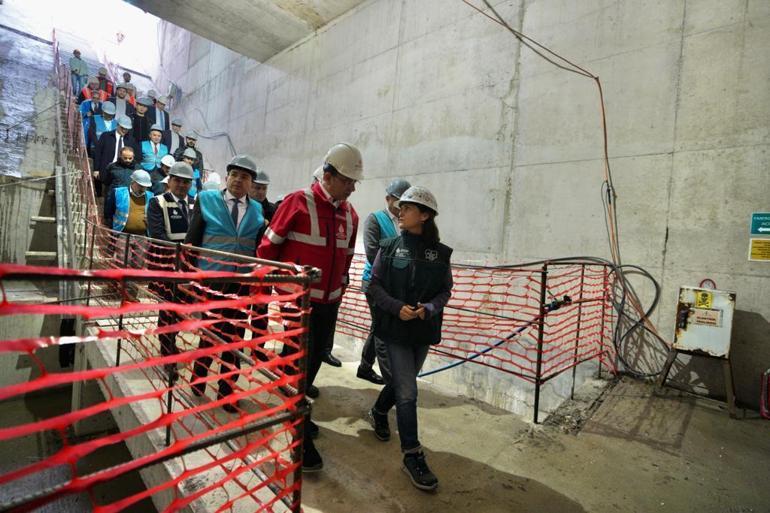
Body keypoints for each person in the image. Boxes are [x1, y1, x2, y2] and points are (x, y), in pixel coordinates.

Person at [257, 142, 362, 472]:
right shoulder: (296, 202)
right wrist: (276, 286)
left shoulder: (350, 214)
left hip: (329, 302)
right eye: (347, 180)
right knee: (301, 359)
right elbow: (267, 248)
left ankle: (295, 406)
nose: (352, 187)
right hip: (298, 301)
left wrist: (340, 287)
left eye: (354, 182)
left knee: (315, 357)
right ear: (328, 175)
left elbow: (344, 260)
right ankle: (297, 429)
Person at [365, 186, 452, 492]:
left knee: (404, 383)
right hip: (395, 330)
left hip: (422, 330)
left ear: (425, 215)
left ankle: (378, 411)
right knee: (408, 393)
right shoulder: (387, 247)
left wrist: (428, 308)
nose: (401, 212)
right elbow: (374, 285)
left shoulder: (440, 254)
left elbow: (445, 291)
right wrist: (396, 308)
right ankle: (412, 454)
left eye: (409, 208)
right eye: (400, 207)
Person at [185, 155, 265, 413]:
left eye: (245, 177)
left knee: (234, 337)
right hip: (212, 282)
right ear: (227, 176)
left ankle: (226, 391)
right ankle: (198, 380)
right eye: (234, 175)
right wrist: (189, 279)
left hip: (241, 284)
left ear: (251, 183)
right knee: (210, 335)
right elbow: (192, 242)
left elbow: (257, 247)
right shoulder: (206, 199)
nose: (238, 180)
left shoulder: (257, 210)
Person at [357, 178, 411, 385]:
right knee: (382, 328)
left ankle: (364, 367)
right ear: (388, 198)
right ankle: (392, 380)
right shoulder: (375, 219)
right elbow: (372, 253)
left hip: (393, 286)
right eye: (398, 201)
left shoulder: (404, 224)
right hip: (374, 283)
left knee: (378, 325)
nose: (401, 207)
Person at [147, 162, 194, 381]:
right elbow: (157, 234)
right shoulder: (158, 202)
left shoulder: (196, 204)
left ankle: (171, 344)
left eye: (186, 182)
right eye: (178, 180)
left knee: (180, 308)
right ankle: (167, 354)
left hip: (188, 266)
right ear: (170, 180)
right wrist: (181, 250)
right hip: (167, 263)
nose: (182, 185)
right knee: (168, 309)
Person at [94, 116, 139, 197]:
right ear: (117, 125)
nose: (125, 130)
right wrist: (96, 169)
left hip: (122, 172)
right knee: (105, 195)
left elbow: (134, 158)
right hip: (106, 170)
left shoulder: (131, 140)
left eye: (127, 129)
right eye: (122, 128)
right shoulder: (106, 136)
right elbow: (98, 153)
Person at [103, 169, 154, 234]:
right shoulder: (118, 193)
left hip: (142, 237)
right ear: (133, 182)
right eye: (140, 186)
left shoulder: (151, 196)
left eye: (145, 187)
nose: (143, 189)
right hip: (121, 234)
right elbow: (108, 213)